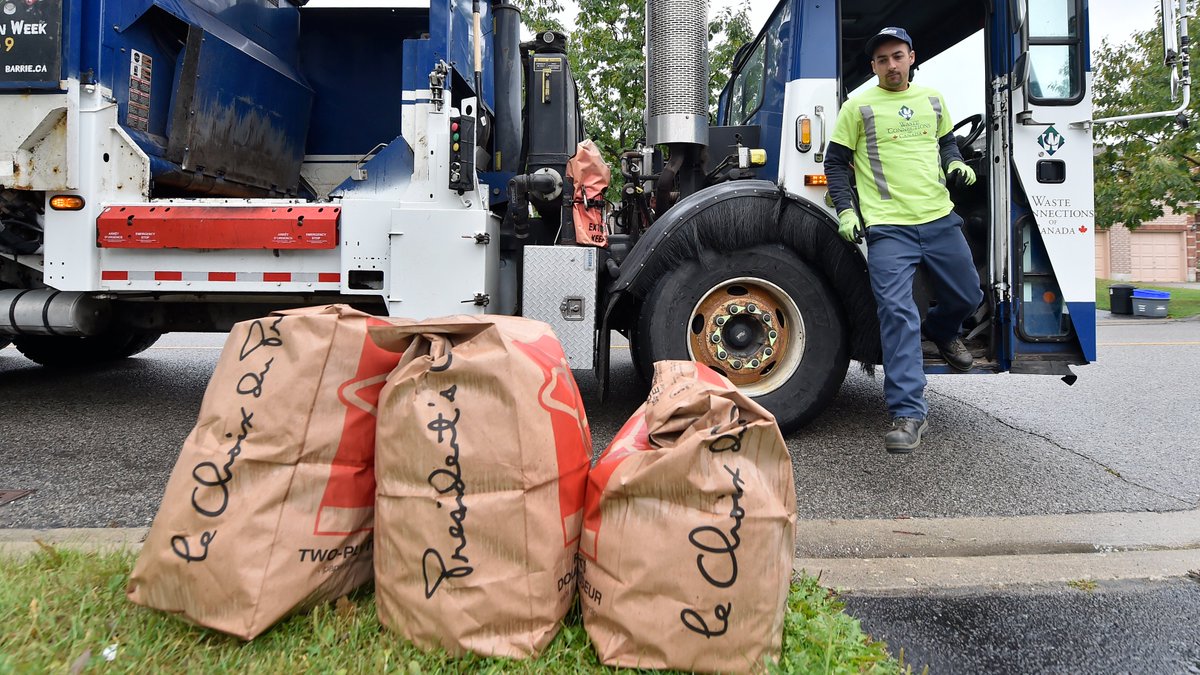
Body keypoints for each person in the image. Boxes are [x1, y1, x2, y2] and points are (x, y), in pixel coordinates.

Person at [823, 27, 983, 454]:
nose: (891, 66)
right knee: (897, 317)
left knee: (968, 294)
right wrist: (846, 209)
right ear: (873, 67)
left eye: (897, 56)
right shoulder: (858, 107)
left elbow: (946, 142)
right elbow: (835, 163)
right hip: (888, 228)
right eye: (881, 60)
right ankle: (908, 414)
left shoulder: (933, 99)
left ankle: (943, 330)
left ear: (911, 57)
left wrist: (955, 163)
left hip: (938, 218)